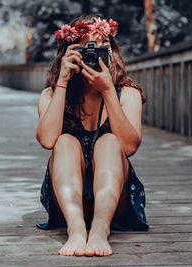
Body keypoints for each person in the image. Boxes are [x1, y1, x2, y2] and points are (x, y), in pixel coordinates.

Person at [35, 14, 149, 257]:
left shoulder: (127, 94)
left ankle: (99, 229)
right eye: (86, 47)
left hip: (114, 199)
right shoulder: (52, 95)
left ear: (112, 52)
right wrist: (63, 82)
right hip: (67, 202)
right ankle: (76, 229)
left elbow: (128, 147)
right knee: (64, 140)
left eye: (101, 48)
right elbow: (47, 140)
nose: (93, 55)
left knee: (109, 141)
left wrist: (108, 90)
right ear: (69, 52)